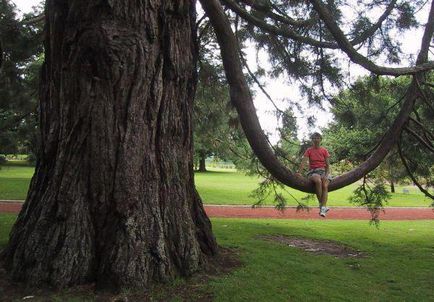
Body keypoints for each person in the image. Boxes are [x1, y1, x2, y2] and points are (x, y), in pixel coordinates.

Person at [296, 132, 331, 217]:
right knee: (318, 181)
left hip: (323, 171)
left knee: (325, 185)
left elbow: (327, 165)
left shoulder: (324, 150)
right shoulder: (309, 150)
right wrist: (299, 173)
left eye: (317, 138)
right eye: (314, 138)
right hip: (313, 171)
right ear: (312, 140)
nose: (316, 140)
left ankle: (322, 207)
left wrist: (326, 175)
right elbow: (303, 162)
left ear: (320, 139)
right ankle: (322, 206)